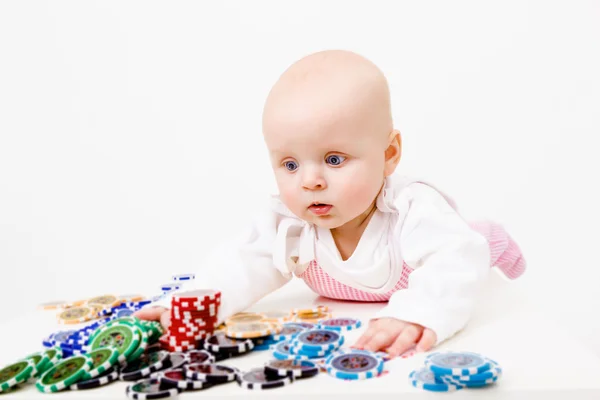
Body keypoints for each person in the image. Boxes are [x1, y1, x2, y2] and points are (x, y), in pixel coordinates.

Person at [135, 49, 525, 357]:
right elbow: (241, 262)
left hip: (447, 244)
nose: (310, 181)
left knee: (473, 243)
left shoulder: (410, 207)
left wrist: (416, 313)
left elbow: (454, 258)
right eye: (290, 164)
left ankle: (497, 241)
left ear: (389, 154)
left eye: (334, 159)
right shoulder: (288, 223)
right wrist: (196, 305)